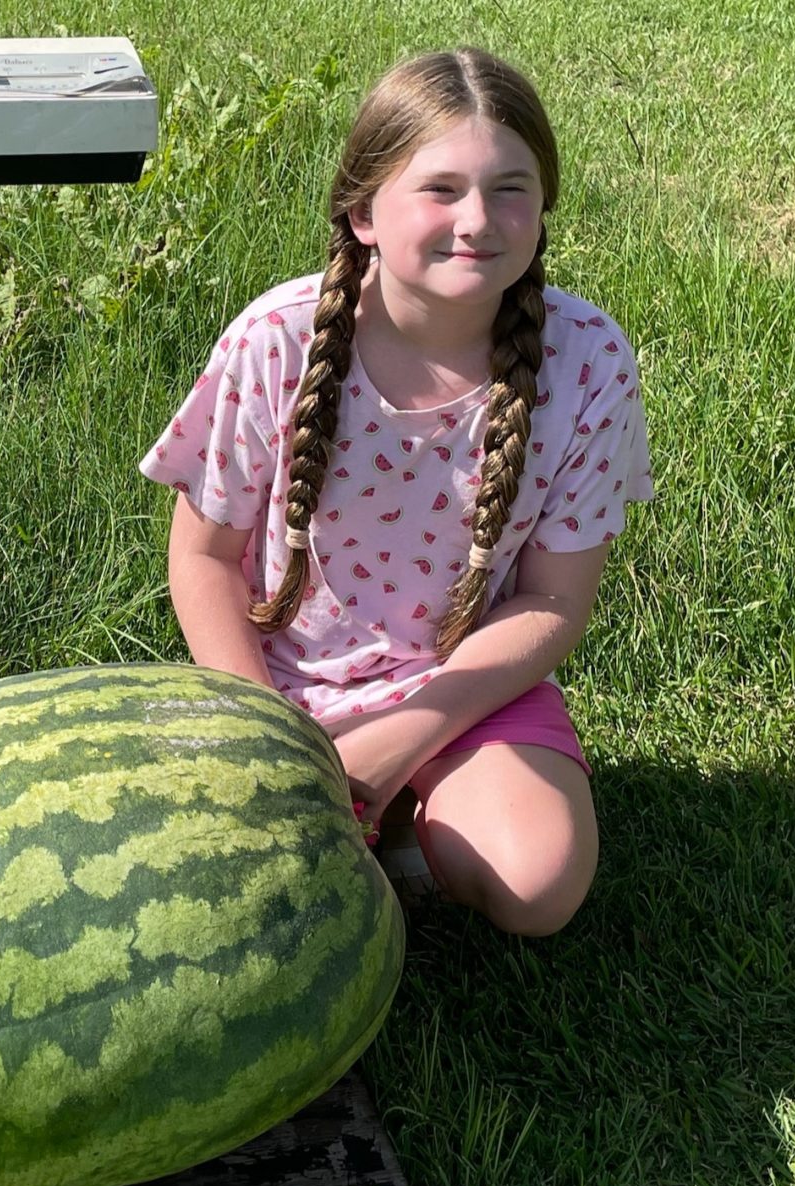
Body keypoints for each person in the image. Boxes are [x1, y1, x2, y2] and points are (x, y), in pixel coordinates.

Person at [139, 48, 653, 937]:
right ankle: (382, 830)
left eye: (511, 188)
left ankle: (408, 818)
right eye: (441, 188)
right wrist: (276, 745)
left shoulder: (590, 361)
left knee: (540, 884)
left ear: (545, 207)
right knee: (192, 896)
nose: (478, 221)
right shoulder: (277, 341)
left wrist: (396, 740)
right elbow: (204, 553)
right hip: (280, 679)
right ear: (363, 211)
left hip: (466, 681)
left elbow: (552, 603)